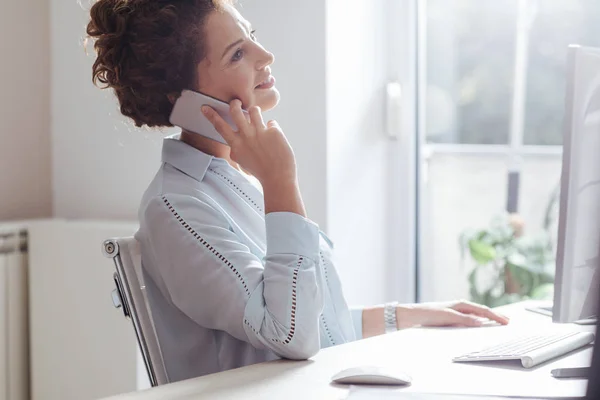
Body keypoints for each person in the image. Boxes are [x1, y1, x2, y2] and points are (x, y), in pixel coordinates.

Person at [86, 0, 509, 383]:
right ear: (184, 100)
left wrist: (406, 317)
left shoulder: (235, 180)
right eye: (237, 53)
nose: (265, 56)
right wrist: (280, 180)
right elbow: (291, 333)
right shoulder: (175, 207)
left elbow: (308, 320)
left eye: (252, 37)